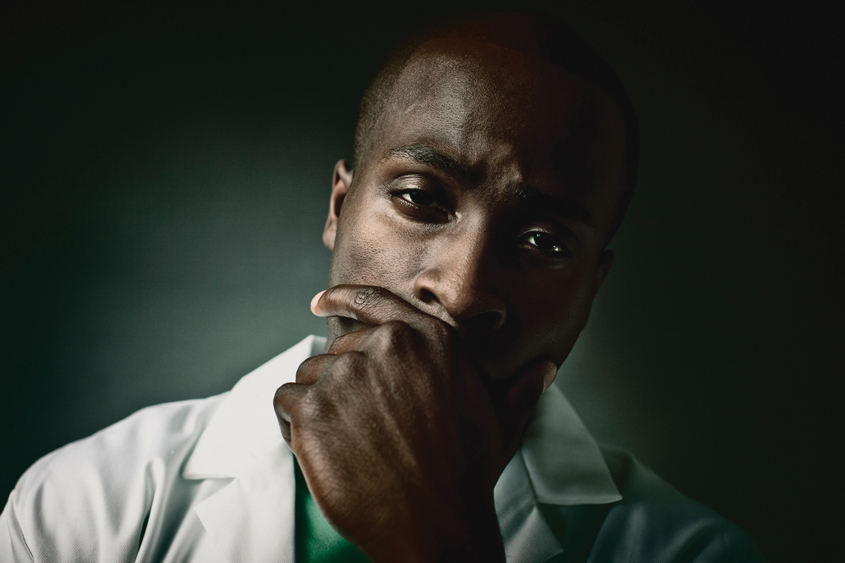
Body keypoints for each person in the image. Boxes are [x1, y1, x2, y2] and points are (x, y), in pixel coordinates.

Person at [0, 12, 765, 562]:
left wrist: (441, 540)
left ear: (592, 286)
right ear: (338, 208)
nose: (461, 291)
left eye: (543, 242)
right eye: (421, 198)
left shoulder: (691, 551)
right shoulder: (89, 504)